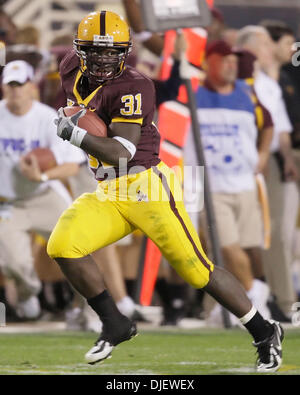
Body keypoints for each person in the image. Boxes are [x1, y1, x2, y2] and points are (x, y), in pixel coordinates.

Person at [47, 11, 284, 372]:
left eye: (113, 52)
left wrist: (74, 132)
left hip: (146, 186)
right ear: (80, 51)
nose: (104, 59)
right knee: (63, 246)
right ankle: (115, 322)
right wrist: (71, 117)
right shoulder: (68, 68)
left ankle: (264, 330)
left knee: (196, 270)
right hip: (107, 190)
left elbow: (121, 151)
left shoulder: (134, 85)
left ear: (126, 52)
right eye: (95, 50)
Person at [184, 40, 273, 324]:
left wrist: (261, 154)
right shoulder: (192, 92)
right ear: (208, 62)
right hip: (209, 186)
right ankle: (254, 300)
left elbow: (268, 124)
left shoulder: (247, 94)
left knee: (247, 247)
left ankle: (223, 310)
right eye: (225, 61)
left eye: (234, 62)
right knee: (226, 247)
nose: (231, 66)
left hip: (244, 183)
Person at [0, 60, 85, 319]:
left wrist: (43, 174)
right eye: (10, 85)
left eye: (20, 84)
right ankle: (27, 293)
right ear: (4, 88)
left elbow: (73, 165)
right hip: (8, 202)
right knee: (12, 264)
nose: (15, 90)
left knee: (78, 249)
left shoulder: (48, 117)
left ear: (31, 87)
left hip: (44, 196)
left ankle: (88, 309)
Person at [237, 25, 298, 318]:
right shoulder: (235, 81)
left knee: (274, 234)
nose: (269, 50)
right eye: (262, 44)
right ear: (247, 48)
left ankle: (283, 302)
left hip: (268, 163)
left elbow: (281, 128)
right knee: (237, 235)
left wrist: (285, 158)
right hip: (239, 165)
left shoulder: (270, 84)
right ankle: (230, 301)